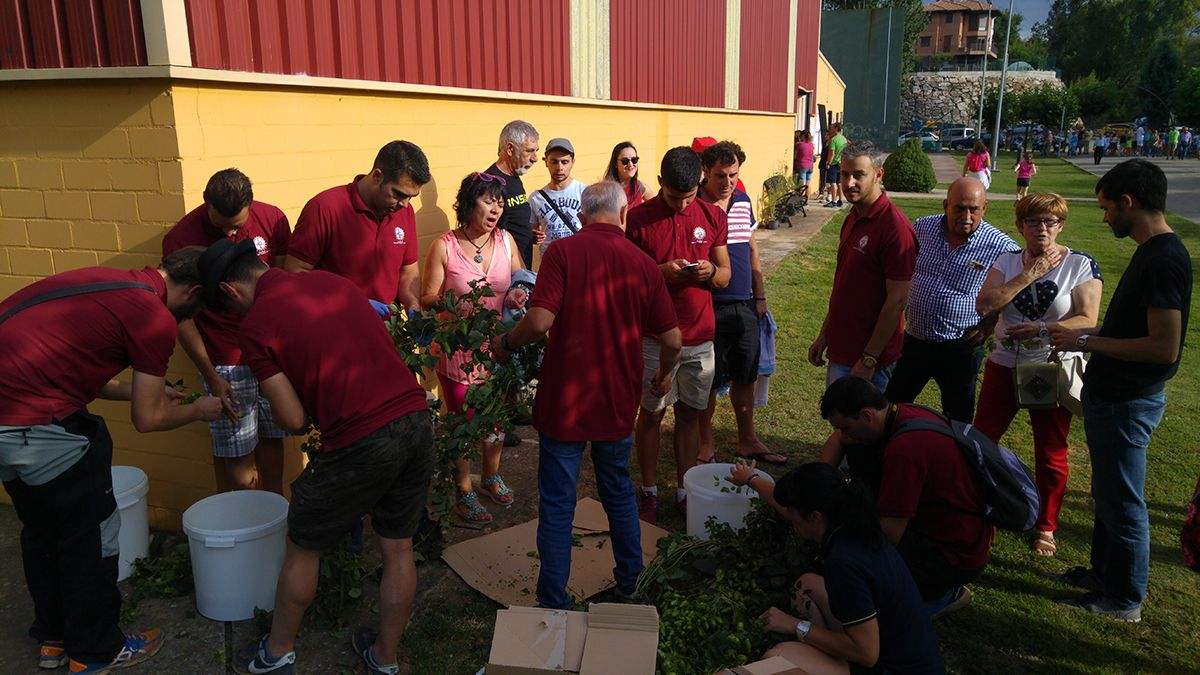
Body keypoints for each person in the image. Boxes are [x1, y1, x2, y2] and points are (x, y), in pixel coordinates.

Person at [204, 242, 433, 675]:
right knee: (398, 547)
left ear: (230, 291)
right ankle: (385, 659)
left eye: (226, 308)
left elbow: (292, 419)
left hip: (359, 438)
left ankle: (275, 654)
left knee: (303, 547)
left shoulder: (255, 326)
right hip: (415, 417)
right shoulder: (332, 282)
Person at [0, 249, 223, 673]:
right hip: (39, 424)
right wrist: (198, 410)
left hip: (5, 423)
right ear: (192, 290)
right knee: (88, 540)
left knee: (42, 532)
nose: (188, 320)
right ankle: (94, 651)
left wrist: (155, 391)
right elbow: (148, 419)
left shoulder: (106, 283)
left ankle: (53, 639)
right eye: (196, 310)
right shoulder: (154, 317)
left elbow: (78, 369)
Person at [490, 181, 681, 609]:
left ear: (580, 215)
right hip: (616, 400)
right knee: (617, 490)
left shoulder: (562, 253)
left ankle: (553, 599)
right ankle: (630, 582)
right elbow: (672, 339)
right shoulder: (644, 264)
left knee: (558, 502)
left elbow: (538, 322)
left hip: (565, 401)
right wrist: (665, 376)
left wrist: (505, 345)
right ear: (624, 214)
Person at [1047, 159, 1192, 622]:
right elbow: (1135, 327)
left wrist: (1085, 339)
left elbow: (1164, 347)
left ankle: (1124, 598)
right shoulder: (1150, 251)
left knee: (1124, 501)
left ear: (1129, 202)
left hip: (1129, 402)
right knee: (1108, 494)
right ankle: (1103, 574)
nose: (1106, 217)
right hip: (1112, 397)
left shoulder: (1165, 258)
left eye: (1108, 208)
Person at [973, 193, 1103, 557]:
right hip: (1003, 364)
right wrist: (1030, 273)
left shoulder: (1079, 264)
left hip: (1047, 366)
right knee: (982, 444)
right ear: (1021, 226)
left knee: (1050, 449)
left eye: (1050, 222)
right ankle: (985, 510)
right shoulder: (1007, 260)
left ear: (1061, 225)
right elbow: (986, 303)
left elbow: (1087, 320)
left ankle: (1046, 524)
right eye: (1034, 222)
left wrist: (1042, 329)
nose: (1042, 229)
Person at [728, 462, 945, 674]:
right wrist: (751, 479)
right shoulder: (855, 523)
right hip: (901, 651)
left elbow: (867, 654)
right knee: (807, 586)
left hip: (886, 663)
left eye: (793, 513)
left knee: (778, 659)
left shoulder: (844, 564)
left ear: (814, 517)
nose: (789, 516)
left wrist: (795, 625)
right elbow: (786, 507)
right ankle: (832, 656)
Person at [163, 168, 292, 494]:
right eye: (220, 224)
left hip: (269, 349)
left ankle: (276, 511)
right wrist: (211, 372)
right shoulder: (181, 238)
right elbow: (181, 316)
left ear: (250, 204)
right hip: (225, 358)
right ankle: (246, 523)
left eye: (236, 224)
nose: (229, 231)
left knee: (274, 436)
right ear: (206, 203)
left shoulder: (272, 218)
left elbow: (282, 282)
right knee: (237, 449)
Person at [819, 377, 992, 616]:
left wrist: (833, 540)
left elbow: (888, 535)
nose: (842, 434)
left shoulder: (905, 452)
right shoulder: (899, 413)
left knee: (850, 554)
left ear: (867, 415)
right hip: (959, 535)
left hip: (952, 555)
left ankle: (937, 595)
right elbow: (840, 439)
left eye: (845, 426)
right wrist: (819, 482)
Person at [628, 146, 731, 523]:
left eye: (688, 196)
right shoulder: (638, 219)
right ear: (659, 184)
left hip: (701, 337)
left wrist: (709, 272)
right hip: (655, 338)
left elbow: (725, 275)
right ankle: (650, 489)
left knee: (690, 414)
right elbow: (631, 282)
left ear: (700, 182)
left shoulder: (712, 215)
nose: (682, 204)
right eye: (674, 197)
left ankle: (685, 488)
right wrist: (662, 272)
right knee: (652, 413)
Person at [420, 173, 527, 523]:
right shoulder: (444, 246)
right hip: (457, 351)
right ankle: (464, 490)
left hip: (496, 348)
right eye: (487, 200)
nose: (495, 208)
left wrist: (517, 295)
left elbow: (520, 280)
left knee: (495, 418)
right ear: (468, 204)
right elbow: (426, 297)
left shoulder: (507, 240)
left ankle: (491, 478)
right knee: (463, 423)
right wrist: (450, 302)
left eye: (499, 202)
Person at [884, 177, 1019, 423]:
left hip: (961, 346)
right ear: (946, 205)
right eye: (959, 208)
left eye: (974, 209)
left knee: (958, 414)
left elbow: (1018, 289)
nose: (966, 216)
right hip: (915, 339)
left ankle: (956, 458)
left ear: (984, 208)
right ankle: (886, 452)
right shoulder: (922, 229)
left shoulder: (1001, 247)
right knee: (893, 403)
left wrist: (993, 321)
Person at [695, 141, 784, 465]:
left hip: (745, 305)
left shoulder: (743, 201)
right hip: (709, 305)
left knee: (746, 376)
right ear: (706, 171)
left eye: (733, 175)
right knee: (709, 379)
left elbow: (752, 251)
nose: (728, 182)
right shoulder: (694, 204)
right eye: (721, 175)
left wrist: (760, 297)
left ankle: (747, 439)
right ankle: (705, 443)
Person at [807, 140, 917, 393]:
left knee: (861, 430)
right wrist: (825, 334)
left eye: (858, 175)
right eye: (845, 174)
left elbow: (898, 301)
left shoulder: (895, 228)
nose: (849, 183)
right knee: (842, 424)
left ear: (879, 174)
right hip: (842, 350)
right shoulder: (854, 216)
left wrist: (869, 359)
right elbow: (845, 287)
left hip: (869, 361)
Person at [286, 140, 429, 310]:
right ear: (377, 176)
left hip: (386, 329)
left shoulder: (404, 212)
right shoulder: (325, 208)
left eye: (411, 197)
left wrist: (413, 306)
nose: (405, 204)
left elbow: (408, 271)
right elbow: (296, 273)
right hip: (335, 325)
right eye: (398, 194)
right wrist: (349, 303)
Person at [482, 120, 541, 268]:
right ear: (510, 149)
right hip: (503, 273)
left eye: (536, 151)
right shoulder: (490, 183)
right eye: (529, 151)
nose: (535, 158)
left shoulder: (514, 177)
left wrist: (527, 233)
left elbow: (509, 222)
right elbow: (481, 234)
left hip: (521, 269)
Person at [530, 138, 586, 256]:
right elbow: (532, 232)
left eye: (564, 162)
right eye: (554, 162)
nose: (559, 168)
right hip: (551, 262)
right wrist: (533, 237)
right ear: (546, 162)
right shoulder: (536, 198)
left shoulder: (585, 192)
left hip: (579, 257)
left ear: (572, 162)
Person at [604, 141, 652, 208]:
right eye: (625, 161)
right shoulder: (606, 191)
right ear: (615, 163)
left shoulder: (639, 187)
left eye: (634, 160)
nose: (630, 164)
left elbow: (659, 205)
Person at [824, 123, 847, 207]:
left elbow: (832, 153)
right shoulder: (843, 139)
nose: (830, 129)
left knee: (833, 182)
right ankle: (840, 200)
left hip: (833, 163)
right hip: (841, 163)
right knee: (839, 182)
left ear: (836, 128)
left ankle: (833, 201)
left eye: (832, 127)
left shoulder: (833, 140)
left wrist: (828, 163)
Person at [795, 130, 816, 195]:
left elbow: (795, 156)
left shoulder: (799, 144)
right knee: (808, 183)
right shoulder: (811, 144)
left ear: (802, 136)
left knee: (802, 183)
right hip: (810, 166)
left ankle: (801, 199)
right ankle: (807, 199)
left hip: (802, 165)